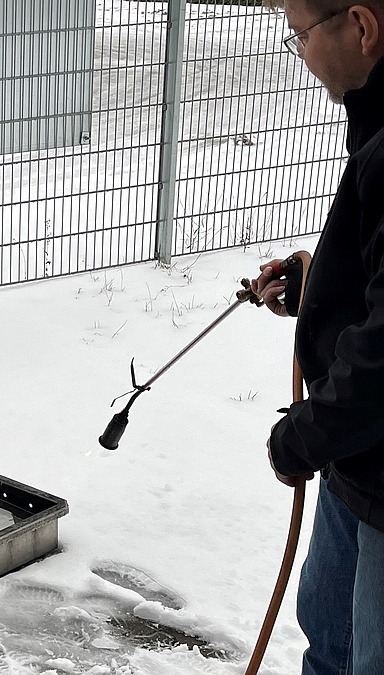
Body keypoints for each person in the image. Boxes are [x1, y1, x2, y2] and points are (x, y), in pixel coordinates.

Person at [253, 2, 384, 673]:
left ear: (362, 28)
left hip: (373, 463)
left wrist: (303, 436)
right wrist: (318, 288)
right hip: (355, 459)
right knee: (329, 642)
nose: (300, 53)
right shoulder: (374, 123)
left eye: (301, 35)